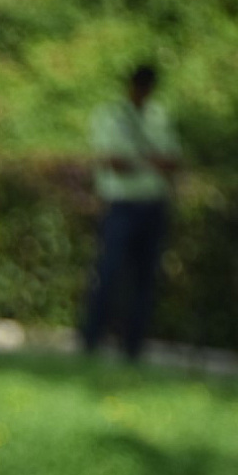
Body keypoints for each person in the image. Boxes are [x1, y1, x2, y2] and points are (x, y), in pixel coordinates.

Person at [81, 63, 182, 361]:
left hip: (153, 204)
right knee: (108, 272)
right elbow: (114, 162)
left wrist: (138, 161)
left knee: (145, 279)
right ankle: (91, 340)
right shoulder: (111, 116)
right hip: (121, 205)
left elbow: (173, 161)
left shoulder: (159, 117)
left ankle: (133, 347)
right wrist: (151, 162)